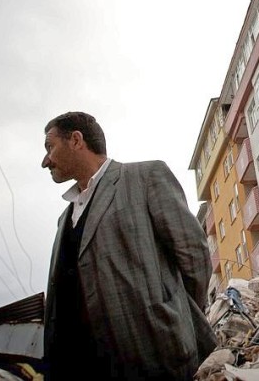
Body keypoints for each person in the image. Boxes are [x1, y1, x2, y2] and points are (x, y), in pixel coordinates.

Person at [41, 112, 216, 380]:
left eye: (49, 147)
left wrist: (175, 316)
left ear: (76, 140)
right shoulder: (64, 219)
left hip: (153, 359)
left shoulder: (144, 178)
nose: (45, 161)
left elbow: (194, 255)